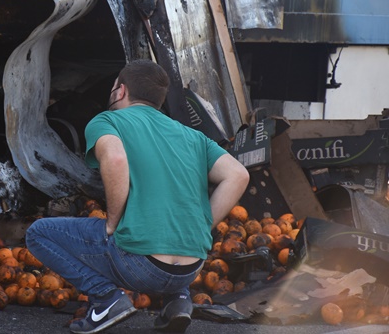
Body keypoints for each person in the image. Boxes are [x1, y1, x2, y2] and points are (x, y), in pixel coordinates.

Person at [25, 59, 250, 334]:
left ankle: (106, 299)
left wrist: (112, 221)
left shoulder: (108, 120)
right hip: (190, 270)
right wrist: (202, 226)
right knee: (167, 225)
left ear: (120, 91)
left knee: (39, 233)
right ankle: (178, 301)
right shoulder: (193, 136)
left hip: (140, 266)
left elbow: (116, 159)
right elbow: (238, 175)